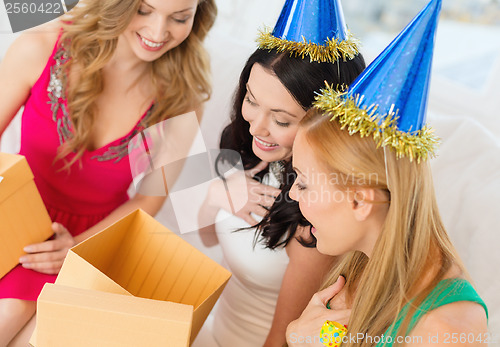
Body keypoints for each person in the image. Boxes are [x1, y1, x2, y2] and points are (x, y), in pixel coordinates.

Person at [0, 0, 216, 345]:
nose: (158, 32)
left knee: (44, 335)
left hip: (97, 240)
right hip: (17, 219)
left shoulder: (184, 97)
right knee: (11, 312)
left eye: (179, 18)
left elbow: (149, 197)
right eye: (144, 10)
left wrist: (75, 248)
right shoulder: (39, 47)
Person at [286, 0, 488, 346]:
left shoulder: (445, 328)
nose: (292, 194)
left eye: (303, 183)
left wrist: (299, 339)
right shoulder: (358, 260)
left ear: (361, 202)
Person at [196, 1, 365, 346]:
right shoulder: (241, 144)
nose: (256, 126)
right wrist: (215, 196)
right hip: (213, 328)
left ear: (324, 124)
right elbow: (208, 238)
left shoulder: (315, 212)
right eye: (252, 100)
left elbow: (284, 337)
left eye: (281, 120)